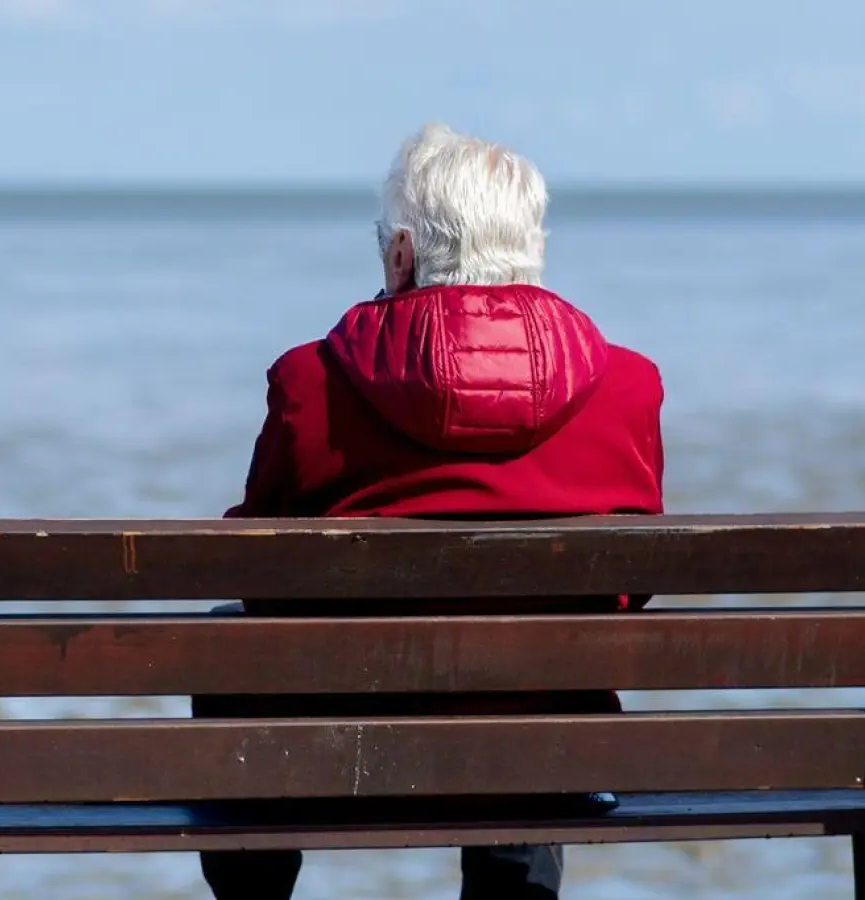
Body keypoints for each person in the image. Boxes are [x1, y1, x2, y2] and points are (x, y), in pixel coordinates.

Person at [196, 123, 666, 900]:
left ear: (402, 253)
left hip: (339, 756)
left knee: (230, 634)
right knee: (541, 664)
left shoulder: (309, 380)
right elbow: (629, 588)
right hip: (544, 761)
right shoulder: (628, 385)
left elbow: (258, 574)